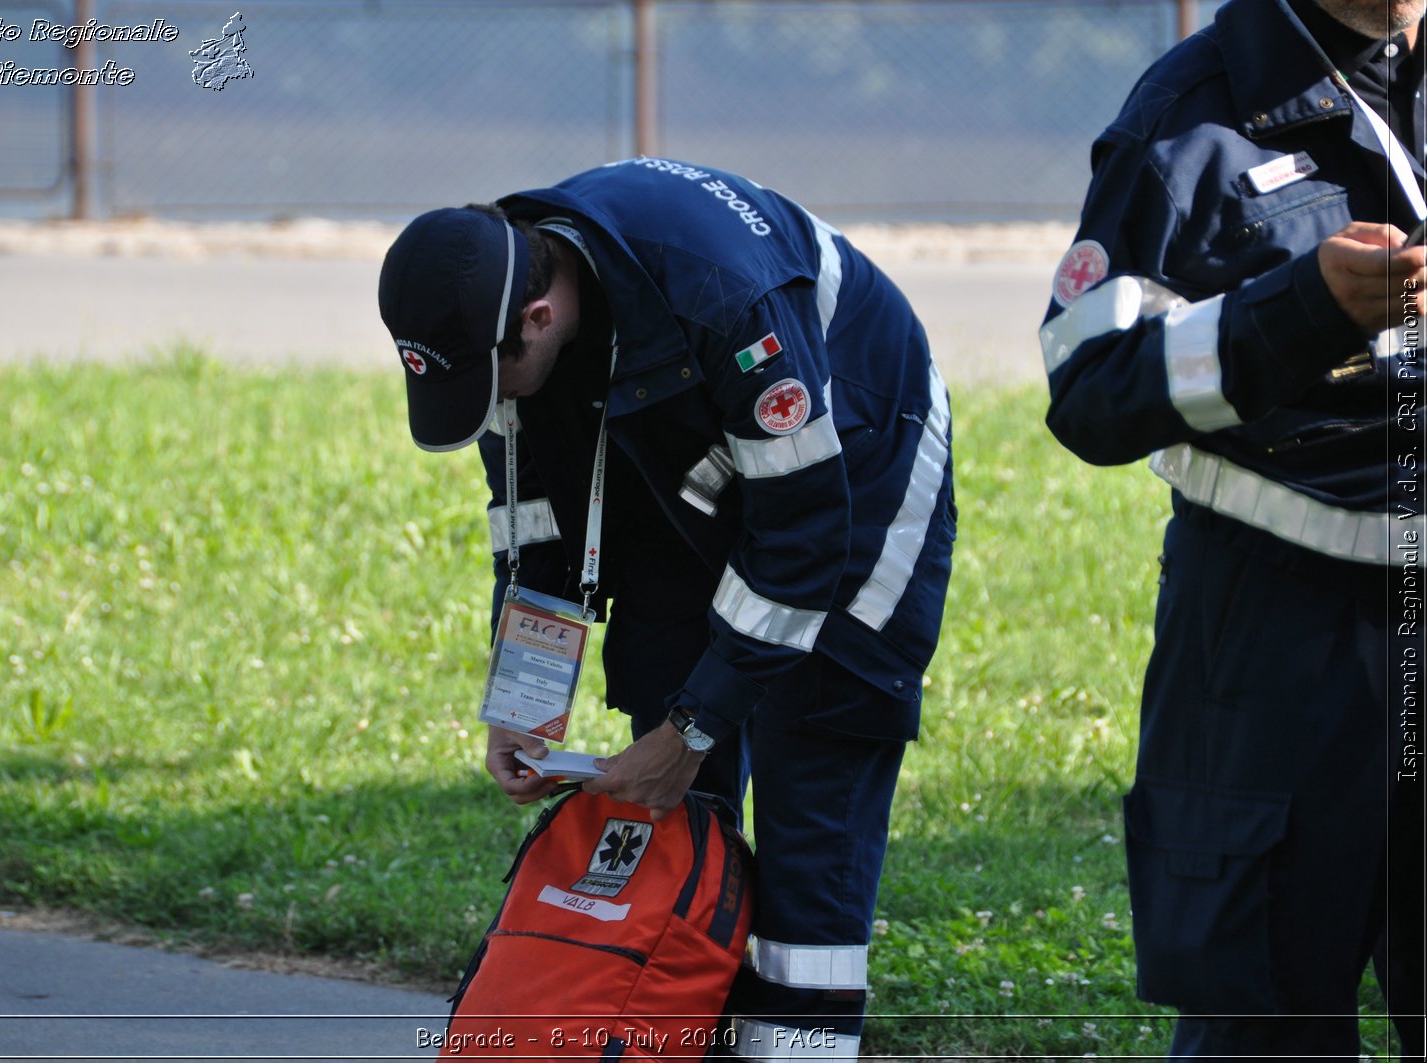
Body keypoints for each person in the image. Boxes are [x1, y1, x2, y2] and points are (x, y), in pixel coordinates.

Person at [378, 157, 956, 1059]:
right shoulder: (506, 311)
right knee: (671, 822)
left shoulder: (727, 302)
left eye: (488, 383)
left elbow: (806, 536)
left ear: (540, 318)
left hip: (858, 465)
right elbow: (538, 530)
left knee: (812, 799)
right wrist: (525, 705)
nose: (483, 407)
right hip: (685, 468)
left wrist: (690, 731)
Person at [1040, 1, 1426, 1057]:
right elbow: (1091, 387)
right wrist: (1301, 309)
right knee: (1264, 1026)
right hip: (1277, 649)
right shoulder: (1186, 122)